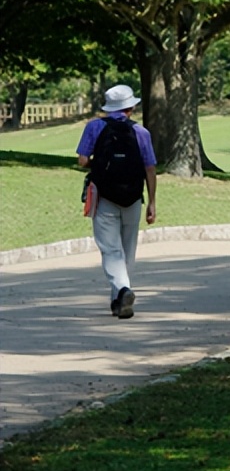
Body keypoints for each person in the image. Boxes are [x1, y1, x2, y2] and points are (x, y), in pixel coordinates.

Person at [76, 84, 157, 319]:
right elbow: (150, 169)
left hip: (104, 197)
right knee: (128, 249)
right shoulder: (141, 132)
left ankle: (122, 290)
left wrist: (101, 164)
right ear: (130, 107)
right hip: (133, 197)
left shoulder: (94, 127)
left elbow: (82, 160)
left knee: (110, 249)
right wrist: (152, 202)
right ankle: (119, 299)